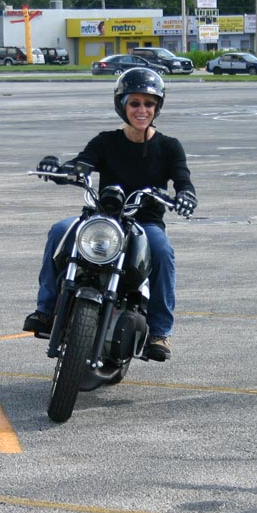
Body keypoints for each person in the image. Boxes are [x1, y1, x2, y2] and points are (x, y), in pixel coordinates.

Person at [24, 68, 198, 361]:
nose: (142, 110)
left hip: (145, 223)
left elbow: (183, 180)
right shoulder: (106, 141)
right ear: (122, 105)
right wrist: (58, 169)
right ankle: (45, 310)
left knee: (163, 252)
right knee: (59, 230)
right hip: (103, 220)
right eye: (135, 103)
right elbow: (81, 164)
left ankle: (160, 332)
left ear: (157, 107)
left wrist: (186, 196)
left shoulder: (169, 146)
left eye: (149, 104)